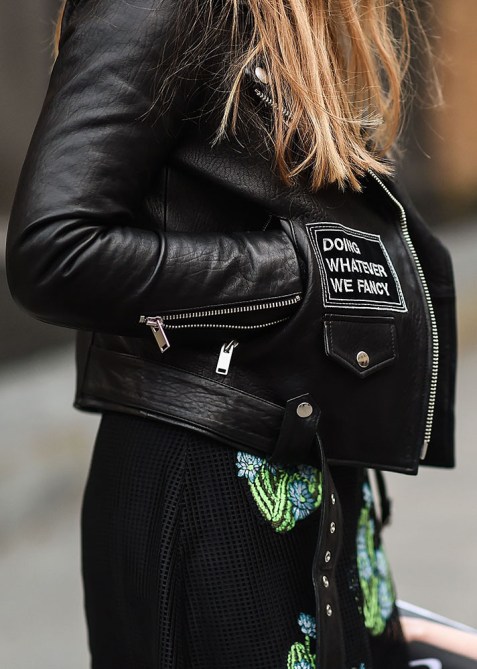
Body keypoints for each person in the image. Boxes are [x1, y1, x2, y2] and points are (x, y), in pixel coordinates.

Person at [6, 0, 457, 667]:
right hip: (210, 485)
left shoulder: (281, 20)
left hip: (308, 462)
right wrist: (302, 274)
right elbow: (55, 252)